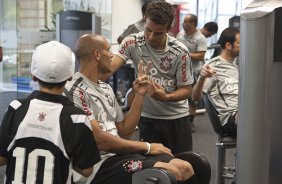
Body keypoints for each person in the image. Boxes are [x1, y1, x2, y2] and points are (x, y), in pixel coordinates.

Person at [64, 34, 197, 184]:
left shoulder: (105, 88)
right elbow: (100, 140)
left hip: (117, 156)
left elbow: (125, 131)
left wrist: (140, 94)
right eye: (108, 50)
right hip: (97, 165)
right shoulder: (74, 90)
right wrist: (146, 147)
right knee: (170, 172)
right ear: (97, 55)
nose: (112, 55)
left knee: (185, 167)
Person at [0, 41, 101, 183]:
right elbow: (86, 170)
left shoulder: (15, 108)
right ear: (70, 76)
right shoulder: (76, 118)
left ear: (33, 76)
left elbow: (2, 159)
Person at [107, 1, 194, 154]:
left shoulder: (180, 52)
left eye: (158, 33)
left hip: (177, 119)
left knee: (182, 166)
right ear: (145, 19)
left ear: (168, 29)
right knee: (152, 172)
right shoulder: (132, 42)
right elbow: (109, 68)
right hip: (148, 119)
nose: (151, 36)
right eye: (148, 29)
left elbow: (186, 90)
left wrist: (165, 97)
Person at [192, 27, 240, 139]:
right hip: (229, 119)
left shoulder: (235, 66)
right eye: (240, 43)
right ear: (228, 45)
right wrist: (202, 78)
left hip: (242, 113)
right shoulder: (213, 66)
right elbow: (195, 97)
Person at [176, 14, 207, 132]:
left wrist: (185, 54)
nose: (183, 24)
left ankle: (190, 123)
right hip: (180, 69)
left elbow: (200, 56)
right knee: (179, 96)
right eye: (183, 21)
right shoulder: (180, 35)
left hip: (194, 71)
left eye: (186, 22)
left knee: (192, 99)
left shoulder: (200, 38)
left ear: (193, 23)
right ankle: (179, 120)